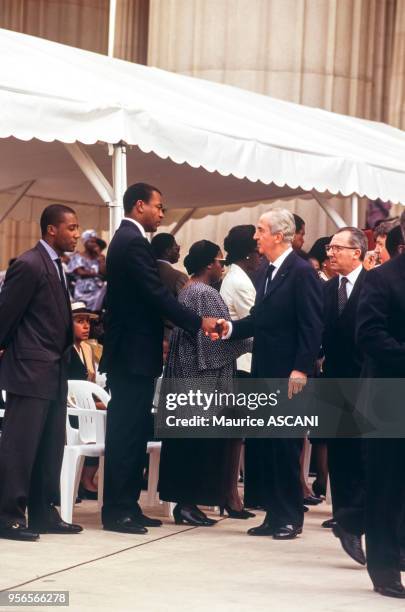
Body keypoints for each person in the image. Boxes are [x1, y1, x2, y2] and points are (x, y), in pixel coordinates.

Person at [100, 182, 220, 535]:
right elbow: (154, 294)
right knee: (125, 433)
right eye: (159, 207)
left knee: (135, 432)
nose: (162, 214)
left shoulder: (129, 240)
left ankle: (127, 505)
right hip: (130, 353)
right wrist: (198, 321)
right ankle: (117, 510)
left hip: (135, 352)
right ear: (140, 206)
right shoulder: (131, 241)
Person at [217, 208, 323, 539]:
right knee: (268, 446)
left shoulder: (302, 272)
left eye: (261, 230)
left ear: (278, 235)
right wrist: (228, 328)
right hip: (265, 370)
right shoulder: (267, 271)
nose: (256, 236)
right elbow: (258, 319)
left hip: (288, 375)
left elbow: (312, 326)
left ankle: (291, 517)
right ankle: (274, 515)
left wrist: (300, 368)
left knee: (286, 445)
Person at [0, 204, 82, 541]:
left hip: (53, 367)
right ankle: (7, 516)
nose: (77, 235)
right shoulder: (30, 263)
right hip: (30, 368)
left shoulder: (56, 265)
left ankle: (44, 513)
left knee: (50, 446)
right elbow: (6, 314)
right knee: (20, 446)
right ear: (52, 230)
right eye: (72, 228)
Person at [159, 240, 251, 525]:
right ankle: (187, 504)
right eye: (220, 261)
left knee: (186, 442)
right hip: (201, 378)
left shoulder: (188, 290)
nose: (223, 267)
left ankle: (187, 503)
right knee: (197, 443)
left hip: (186, 373)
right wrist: (251, 342)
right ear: (209, 264)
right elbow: (215, 339)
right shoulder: (206, 294)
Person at [356, 211, 405, 598]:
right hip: (389, 396)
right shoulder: (382, 279)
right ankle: (384, 567)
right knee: (386, 485)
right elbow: (369, 335)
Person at [322, 227, 368, 566]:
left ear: (358, 253)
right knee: (338, 454)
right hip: (333, 383)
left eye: (338, 247)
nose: (331, 253)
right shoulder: (324, 289)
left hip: (369, 384)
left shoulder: (374, 286)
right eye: (330, 247)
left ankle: (358, 518)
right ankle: (344, 520)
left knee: (366, 456)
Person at [220, 225, 260, 514]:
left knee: (238, 433)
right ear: (250, 253)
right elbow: (256, 324)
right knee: (236, 434)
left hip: (240, 362)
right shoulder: (240, 281)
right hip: (241, 363)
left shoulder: (236, 275)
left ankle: (232, 492)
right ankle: (230, 494)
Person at [68, 301, 105, 499]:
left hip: (88, 404)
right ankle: (82, 479)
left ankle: (87, 478)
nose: (86, 326)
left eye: (87, 322)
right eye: (79, 321)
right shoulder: (63, 350)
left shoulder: (88, 349)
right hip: (70, 407)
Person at [151, 232, 189, 348]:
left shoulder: (145, 272)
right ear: (167, 251)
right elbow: (185, 310)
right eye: (175, 245)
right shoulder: (178, 277)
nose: (178, 248)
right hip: (169, 339)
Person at [67, 229, 106, 311]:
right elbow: (80, 272)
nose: (94, 244)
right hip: (83, 290)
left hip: (98, 290)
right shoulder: (78, 256)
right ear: (85, 243)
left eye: (95, 242)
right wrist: (96, 274)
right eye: (91, 242)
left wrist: (99, 256)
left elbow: (104, 273)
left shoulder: (99, 257)